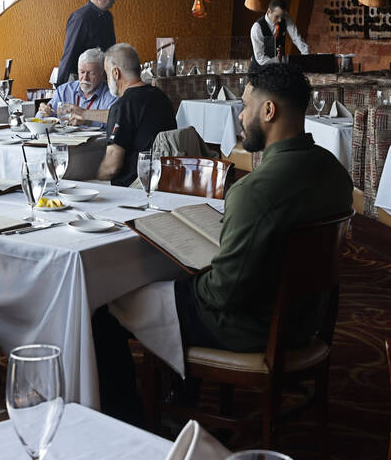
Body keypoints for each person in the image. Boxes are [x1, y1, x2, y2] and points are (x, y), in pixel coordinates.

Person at [93, 63, 353, 422]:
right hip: (306, 320)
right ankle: (182, 394)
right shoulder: (335, 173)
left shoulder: (255, 192)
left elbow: (221, 294)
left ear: (268, 111)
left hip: (252, 328)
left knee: (103, 305)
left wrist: (188, 273)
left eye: (245, 107)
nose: (241, 116)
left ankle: (129, 420)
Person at [96, 43, 176, 187]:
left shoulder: (122, 106)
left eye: (107, 74)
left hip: (132, 189)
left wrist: (92, 178)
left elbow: (112, 167)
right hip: (166, 182)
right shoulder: (162, 97)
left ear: (116, 73)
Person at [57, 0, 118, 84]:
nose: (114, 0)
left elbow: (111, 50)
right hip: (80, 78)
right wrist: (61, 87)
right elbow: (69, 52)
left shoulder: (108, 17)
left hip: (102, 77)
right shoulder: (81, 18)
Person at [38, 47, 117, 126]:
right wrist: (44, 112)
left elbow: (118, 121)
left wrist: (87, 120)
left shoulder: (112, 93)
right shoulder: (64, 90)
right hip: (63, 138)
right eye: (82, 72)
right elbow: (39, 120)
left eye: (91, 73)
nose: (85, 78)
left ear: (102, 74)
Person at [249, 0, 309, 71]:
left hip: (278, 67)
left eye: (282, 16)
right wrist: (280, 61)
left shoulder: (285, 18)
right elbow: (260, 59)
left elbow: (296, 38)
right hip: (260, 69)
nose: (280, 20)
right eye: (277, 16)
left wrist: (307, 57)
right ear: (269, 11)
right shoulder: (257, 28)